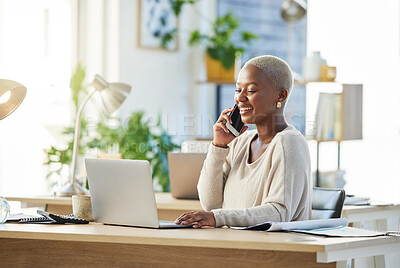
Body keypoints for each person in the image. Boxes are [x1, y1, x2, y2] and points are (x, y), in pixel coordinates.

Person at [175, 55, 312, 228]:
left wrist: (218, 218)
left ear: (281, 95)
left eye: (251, 90)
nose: (240, 98)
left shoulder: (289, 143)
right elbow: (211, 204)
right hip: (234, 244)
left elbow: (279, 212)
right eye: (238, 90)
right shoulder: (241, 141)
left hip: (270, 252)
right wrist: (219, 146)